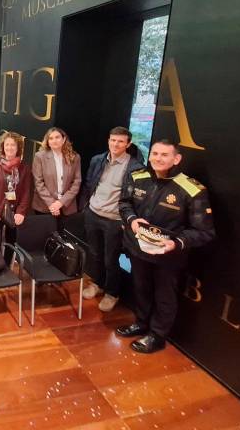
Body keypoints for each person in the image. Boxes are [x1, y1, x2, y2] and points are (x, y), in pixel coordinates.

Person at [115, 139, 215, 354]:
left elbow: (205, 231)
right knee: (140, 288)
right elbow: (124, 203)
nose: (158, 158)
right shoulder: (137, 176)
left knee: (164, 296)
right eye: (155, 154)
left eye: (164, 155)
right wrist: (132, 219)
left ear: (176, 159)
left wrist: (176, 243)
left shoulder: (192, 190)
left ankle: (157, 335)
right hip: (138, 248)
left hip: (168, 256)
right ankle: (141, 323)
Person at [79, 127, 144, 312]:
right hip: (93, 214)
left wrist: (126, 221)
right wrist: (86, 206)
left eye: (120, 141)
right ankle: (97, 283)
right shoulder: (98, 160)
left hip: (115, 220)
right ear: (108, 140)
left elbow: (136, 199)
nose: (116, 144)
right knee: (95, 254)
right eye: (113, 140)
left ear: (128, 144)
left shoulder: (135, 167)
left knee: (111, 259)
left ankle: (112, 293)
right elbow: (89, 183)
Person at [0, 131, 33, 262]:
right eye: (7, 145)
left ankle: (7, 265)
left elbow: (26, 192)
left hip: (14, 211)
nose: (9, 148)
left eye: (13, 145)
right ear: (2, 147)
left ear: (18, 148)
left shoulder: (24, 168)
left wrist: (21, 212)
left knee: (11, 240)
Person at [32, 127, 82, 220]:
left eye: (57, 137)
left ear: (63, 139)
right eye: (51, 138)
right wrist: (52, 204)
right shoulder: (39, 157)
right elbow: (38, 183)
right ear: (47, 142)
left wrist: (61, 202)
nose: (54, 141)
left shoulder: (75, 157)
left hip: (66, 206)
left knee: (64, 234)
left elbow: (77, 182)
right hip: (44, 207)